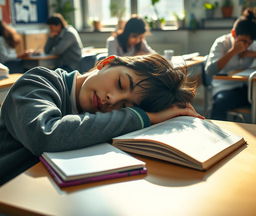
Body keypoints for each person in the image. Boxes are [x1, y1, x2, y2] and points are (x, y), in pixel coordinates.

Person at [0, 53, 203, 185]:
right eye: (121, 83)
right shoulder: (38, 81)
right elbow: (46, 135)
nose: (112, 100)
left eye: (124, 107)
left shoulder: (99, 118)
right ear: (106, 62)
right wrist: (144, 117)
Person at [204, 8, 256, 120]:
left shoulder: (252, 46)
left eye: (249, 43)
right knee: (220, 103)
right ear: (233, 33)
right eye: (243, 41)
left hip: (246, 88)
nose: (246, 45)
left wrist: (252, 54)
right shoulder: (221, 43)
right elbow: (210, 71)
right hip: (224, 89)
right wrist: (232, 52)